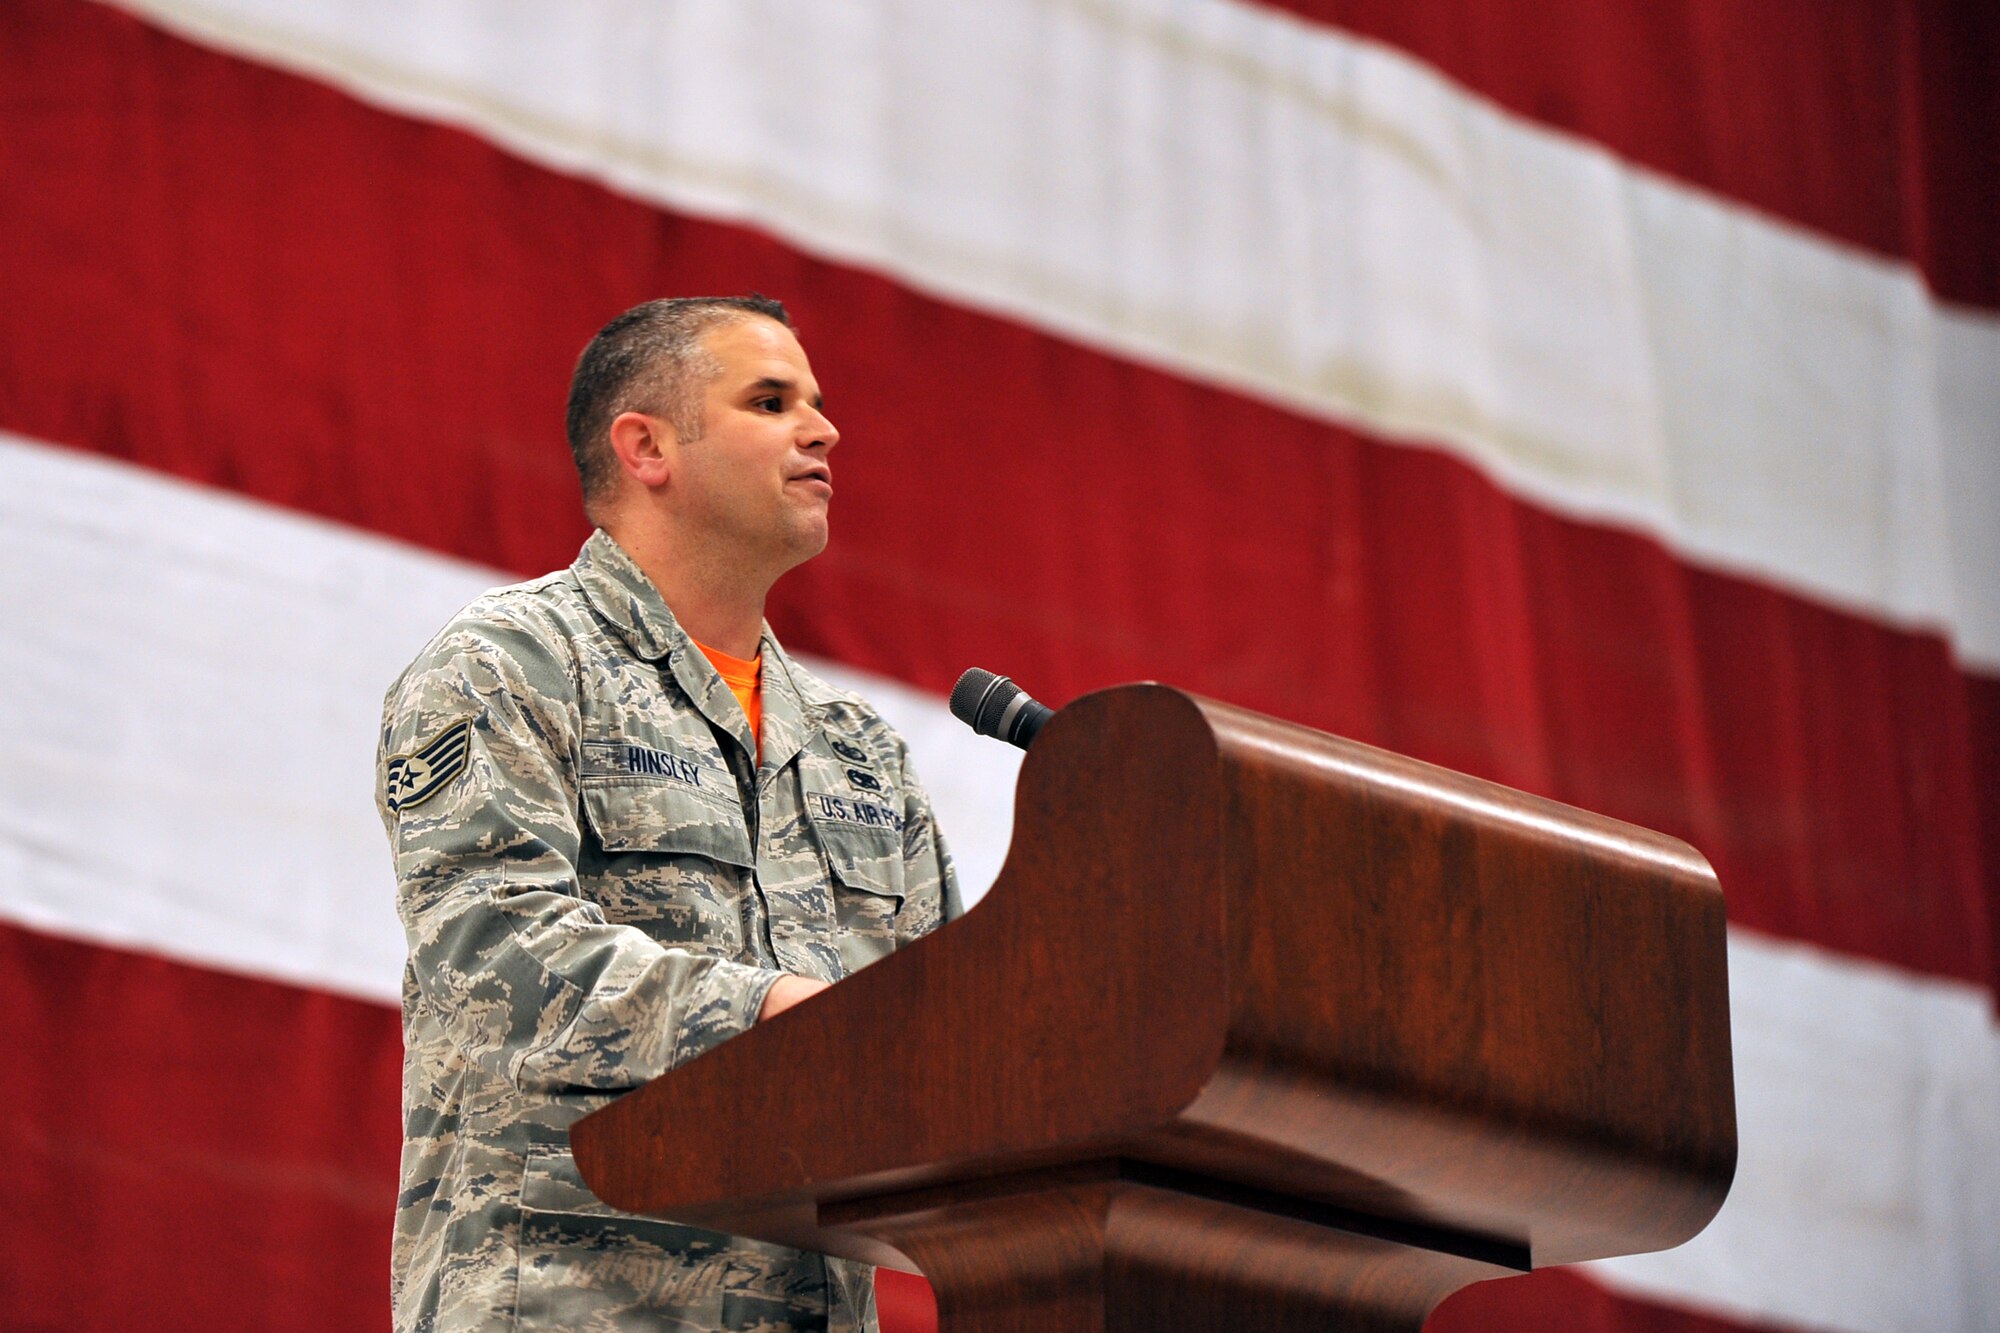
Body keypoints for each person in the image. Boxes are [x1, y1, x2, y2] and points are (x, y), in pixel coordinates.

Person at [376, 295, 962, 1332]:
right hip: (569, 1304)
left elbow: (945, 1023)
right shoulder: (513, 663)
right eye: (771, 401)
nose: (822, 431)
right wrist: (776, 1012)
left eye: (817, 404)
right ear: (646, 447)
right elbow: (490, 959)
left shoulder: (856, 748)